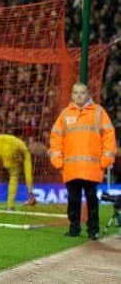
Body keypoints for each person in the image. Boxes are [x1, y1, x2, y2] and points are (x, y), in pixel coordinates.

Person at [49, 82, 116, 240]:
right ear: (72, 95)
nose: (79, 95)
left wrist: (106, 160)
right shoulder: (65, 115)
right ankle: (74, 229)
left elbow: (109, 136)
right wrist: (58, 161)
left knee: (92, 200)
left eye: (82, 93)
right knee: (73, 200)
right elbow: (55, 138)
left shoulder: (99, 112)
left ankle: (93, 230)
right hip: (71, 168)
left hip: (92, 168)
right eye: (76, 93)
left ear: (88, 94)